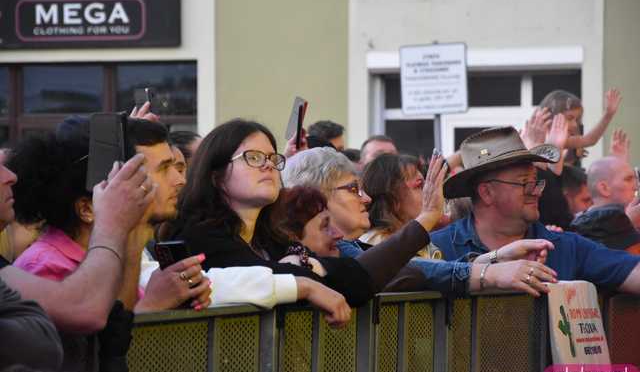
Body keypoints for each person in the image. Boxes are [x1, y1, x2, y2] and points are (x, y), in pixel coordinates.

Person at [166, 119, 445, 309]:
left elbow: (357, 282)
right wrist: (305, 274)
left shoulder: (271, 238)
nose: (267, 166)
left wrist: (312, 266)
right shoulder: (198, 235)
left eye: (273, 158)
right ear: (215, 175)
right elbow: (260, 276)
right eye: (253, 158)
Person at [283, 147, 559, 297]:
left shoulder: (348, 247)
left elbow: (413, 267)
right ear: (315, 197)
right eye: (353, 189)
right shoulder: (294, 254)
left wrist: (493, 259)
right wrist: (489, 271)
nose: (366, 198)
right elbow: (386, 272)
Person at [431, 126, 640, 293]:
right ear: (486, 192)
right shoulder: (438, 249)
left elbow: (632, 272)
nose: (536, 192)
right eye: (524, 183)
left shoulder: (565, 247)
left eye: (536, 181)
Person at [0, 153, 152, 370]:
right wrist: (112, 225)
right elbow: (88, 312)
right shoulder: (42, 264)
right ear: (86, 209)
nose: (11, 177)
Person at [570, 156, 640, 253]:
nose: (636, 187)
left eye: (635, 179)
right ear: (604, 188)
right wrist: (628, 222)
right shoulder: (585, 227)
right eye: (628, 179)